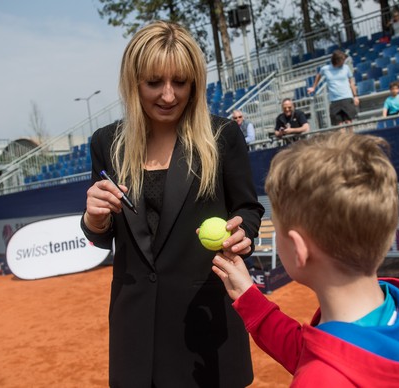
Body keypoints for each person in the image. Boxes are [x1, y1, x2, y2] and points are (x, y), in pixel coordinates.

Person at [80, 21, 264, 387]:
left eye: (180, 82)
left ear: (194, 82)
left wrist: (242, 232)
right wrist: (94, 218)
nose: (168, 96)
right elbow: (104, 236)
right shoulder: (106, 143)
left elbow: (248, 209)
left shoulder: (222, 136)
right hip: (135, 332)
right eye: (154, 83)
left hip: (206, 325)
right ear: (134, 82)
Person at [211, 132, 399, 386]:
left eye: (277, 228)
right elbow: (313, 352)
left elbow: (323, 366)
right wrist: (249, 297)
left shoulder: (319, 380)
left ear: (299, 249)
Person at [307, 50, 360, 128]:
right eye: (342, 60)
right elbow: (319, 75)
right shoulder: (325, 69)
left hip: (346, 98)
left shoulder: (346, 68)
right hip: (334, 100)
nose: (344, 61)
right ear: (336, 60)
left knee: (349, 122)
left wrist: (355, 96)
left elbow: (351, 82)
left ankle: (350, 139)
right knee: (339, 125)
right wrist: (314, 87)